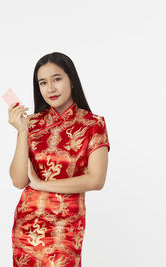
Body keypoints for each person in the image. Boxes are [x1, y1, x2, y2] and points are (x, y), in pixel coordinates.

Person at [7, 52, 110, 266]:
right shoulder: (32, 124)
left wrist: (42, 184)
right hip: (27, 226)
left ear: (71, 79)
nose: (50, 88)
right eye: (43, 82)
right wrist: (23, 131)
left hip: (65, 227)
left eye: (57, 79)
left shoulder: (93, 124)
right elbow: (18, 181)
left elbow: (96, 180)